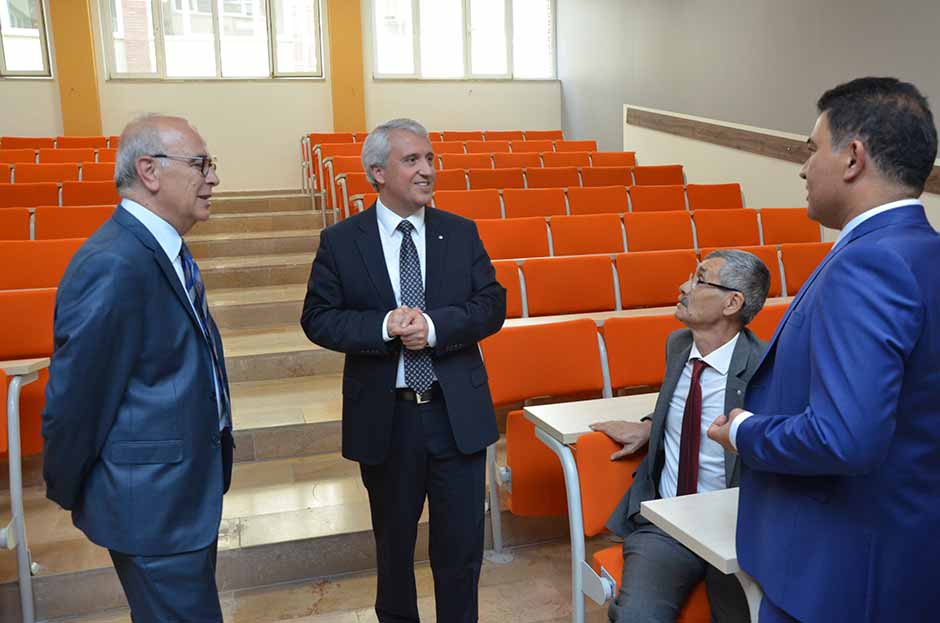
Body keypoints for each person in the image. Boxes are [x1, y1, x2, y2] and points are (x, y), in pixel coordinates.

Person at [708, 77, 940, 623]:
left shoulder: (868, 264)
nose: (804, 167)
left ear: (853, 158)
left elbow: (844, 438)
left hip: (840, 573)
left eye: (813, 149)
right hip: (906, 554)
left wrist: (744, 430)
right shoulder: (924, 253)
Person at [300, 118, 506, 623]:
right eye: (412, 160)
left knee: (461, 552)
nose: (427, 170)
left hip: (455, 415)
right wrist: (383, 326)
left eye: (430, 158)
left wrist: (434, 328)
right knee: (393, 552)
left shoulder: (460, 232)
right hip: (388, 419)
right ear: (377, 172)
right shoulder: (341, 241)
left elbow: (491, 305)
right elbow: (318, 318)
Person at [42, 114, 231, 621]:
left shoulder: (161, 249)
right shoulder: (115, 262)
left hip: (181, 497)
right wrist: (74, 487)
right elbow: (76, 401)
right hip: (152, 506)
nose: (213, 178)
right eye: (201, 164)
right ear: (149, 171)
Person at [592, 250, 769, 623]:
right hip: (667, 522)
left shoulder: (763, 368)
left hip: (732, 528)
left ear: (732, 303)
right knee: (637, 617)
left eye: (700, 279)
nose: (684, 286)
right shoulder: (678, 345)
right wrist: (650, 425)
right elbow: (685, 402)